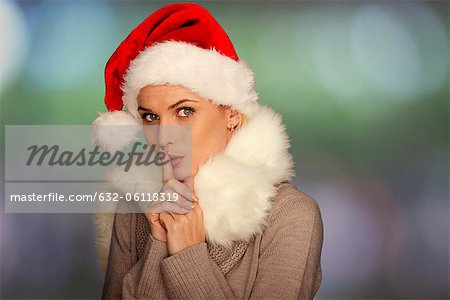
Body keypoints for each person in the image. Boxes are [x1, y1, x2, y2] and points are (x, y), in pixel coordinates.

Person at [91, 3, 323, 299]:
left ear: (232, 114)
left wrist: (188, 255)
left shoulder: (290, 215)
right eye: (150, 117)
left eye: (185, 111)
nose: (164, 137)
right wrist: (160, 242)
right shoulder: (134, 209)